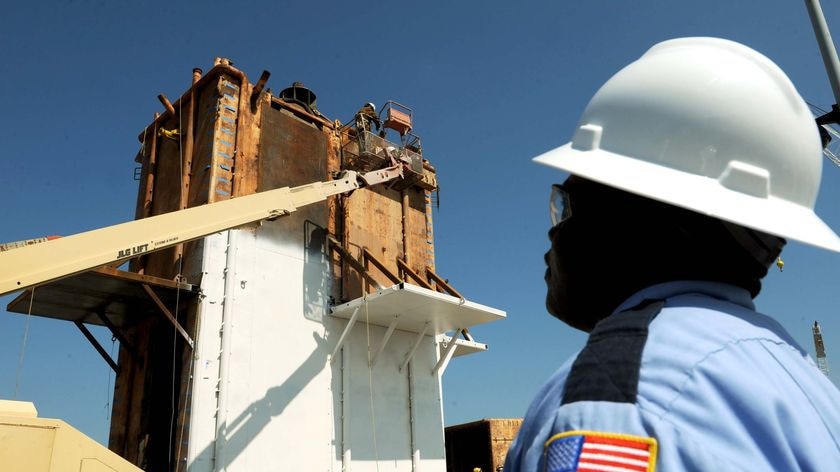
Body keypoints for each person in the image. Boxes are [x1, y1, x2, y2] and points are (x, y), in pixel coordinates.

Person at [504, 37, 840, 471]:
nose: (552, 235)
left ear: (625, 212)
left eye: (563, 204)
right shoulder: (805, 384)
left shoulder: (619, 393)